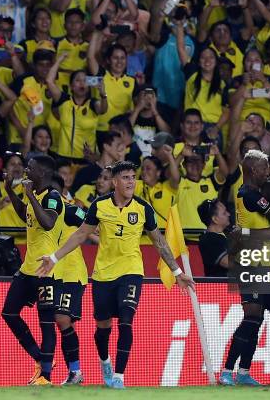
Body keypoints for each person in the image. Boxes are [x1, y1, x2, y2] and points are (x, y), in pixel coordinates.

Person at [37, 160, 194, 389]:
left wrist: (177, 271)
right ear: (115, 182)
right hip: (102, 275)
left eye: (133, 177)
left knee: (126, 320)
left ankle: (119, 376)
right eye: (126, 178)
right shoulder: (100, 206)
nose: (131, 182)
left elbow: (159, 241)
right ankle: (105, 362)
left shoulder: (143, 209)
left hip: (131, 271)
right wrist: (53, 257)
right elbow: (81, 234)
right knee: (102, 328)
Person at [219, 149, 270, 386]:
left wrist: (254, 233)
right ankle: (226, 371)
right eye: (264, 168)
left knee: (265, 318)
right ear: (254, 170)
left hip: (264, 263)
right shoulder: (249, 195)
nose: (268, 172)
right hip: (251, 264)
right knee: (252, 317)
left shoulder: (251, 193)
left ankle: (243, 372)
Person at [1, 154, 64, 385]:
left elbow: (48, 222)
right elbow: (24, 215)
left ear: (44, 173)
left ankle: (46, 376)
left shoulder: (52, 197)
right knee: (8, 312)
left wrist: (29, 196)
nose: (26, 170)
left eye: (30, 167)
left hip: (46, 270)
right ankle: (40, 358)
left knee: (46, 322)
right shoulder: (35, 195)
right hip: (28, 269)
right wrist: (10, 190)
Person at [49, 172, 89, 385]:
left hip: (71, 273)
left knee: (62, 319)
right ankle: (45, 371)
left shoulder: (72, 209)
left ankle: (75, 371)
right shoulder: (40, 209)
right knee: (51, 320)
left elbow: (91, 228)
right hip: (48, 271)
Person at [197, 199, 230, 277]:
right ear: (215, 219)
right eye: (224, 213)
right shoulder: (208, 240)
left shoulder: (225, 235)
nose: (228, 214)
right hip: (221, 287)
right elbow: (227, 262)